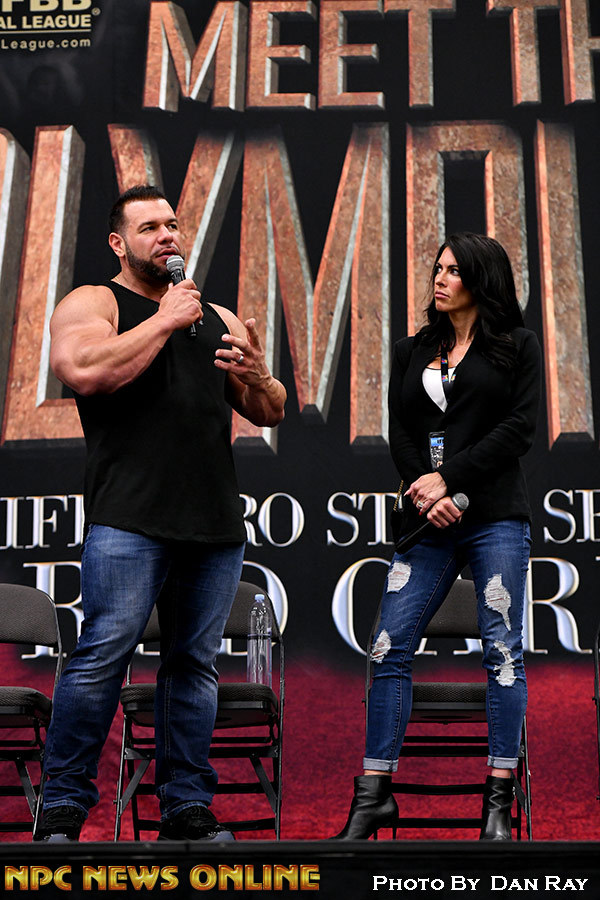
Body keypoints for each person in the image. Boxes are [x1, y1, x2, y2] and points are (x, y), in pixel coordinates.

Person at [34, 184, 286, 842]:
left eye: (172, 224)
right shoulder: (96, 302)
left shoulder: (213, 315)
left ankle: (185, 807)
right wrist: (165, 321)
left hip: (212, 521)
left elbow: (270, 409)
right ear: (119, 243)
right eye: (150, 227)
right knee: (102, 656)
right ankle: (62, 807)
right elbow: (82, 369)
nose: (167, 235)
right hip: (129, 517)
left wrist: (259, 374)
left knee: (194, 666)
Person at [332, 232, 540, 842]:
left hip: (494, 514)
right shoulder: (412, 350)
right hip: (426, 520)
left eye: (453, 270)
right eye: (437, 269)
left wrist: (449, 479)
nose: (440, 279)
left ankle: (497, 803)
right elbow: (400, 432)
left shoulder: (517, 346)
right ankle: (374, 797)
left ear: (482, 280)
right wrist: (425, 491)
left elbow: (518, 430)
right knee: (386, 647)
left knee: (502, 650)